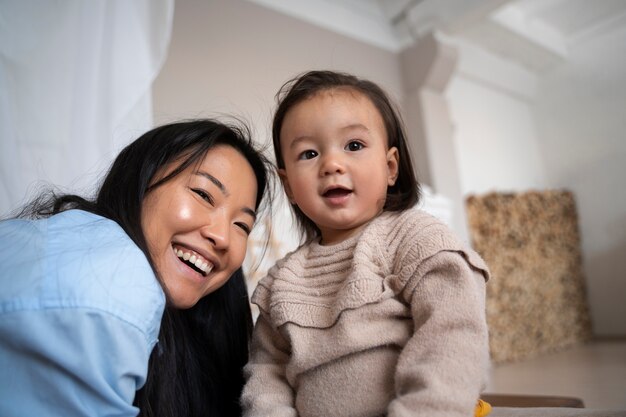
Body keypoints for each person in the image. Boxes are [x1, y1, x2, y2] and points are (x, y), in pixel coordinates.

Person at [241, 70, 491, 417]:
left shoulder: (417, 240)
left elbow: (453, 337)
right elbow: (267, 374)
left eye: (354, 146)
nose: (332, 164)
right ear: (288, 187)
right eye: (309, 154)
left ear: (390, 167)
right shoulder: (281, 284)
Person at [0, 119, 273, 417]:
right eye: (203, 194)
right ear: (140, 181)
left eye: (242, 225)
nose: (221, 237)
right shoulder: (110, 278)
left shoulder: (183, 326)